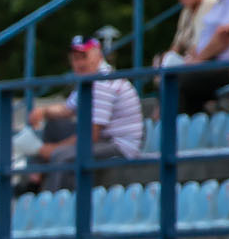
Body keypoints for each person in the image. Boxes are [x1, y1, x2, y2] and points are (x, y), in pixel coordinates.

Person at [27, 35, 144, 165]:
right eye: (75, 58)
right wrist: (42, 111)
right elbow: (67, 109)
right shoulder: (88, 79)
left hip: (119, 146)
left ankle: (51, 184)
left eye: (84, 57)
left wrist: (51, 149)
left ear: (98, 56)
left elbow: (91, 135)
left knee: (61, 156)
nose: (79, 63)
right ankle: (34, 181)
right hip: (104, 139)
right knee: (54, 126)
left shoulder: (102, 82)